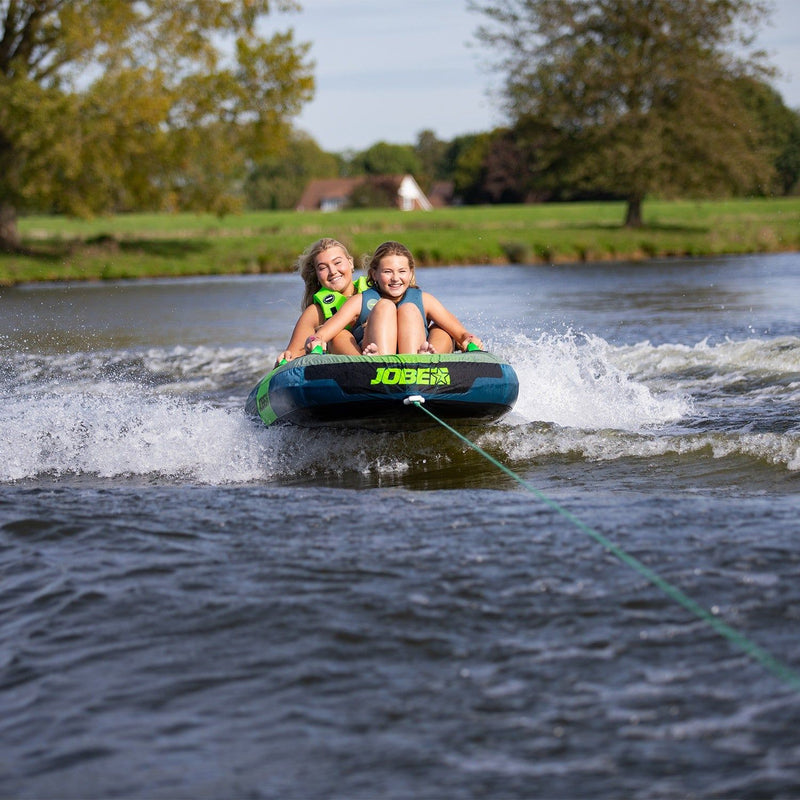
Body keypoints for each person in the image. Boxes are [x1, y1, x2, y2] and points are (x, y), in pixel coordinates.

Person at [305, 240, 482, 356]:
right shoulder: (359, 301)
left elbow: (461, 333)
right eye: (388, 272)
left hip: (418, 359)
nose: (395, 278)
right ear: (374, 274)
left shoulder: (424, 300)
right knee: (384, 307)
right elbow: (325, 332)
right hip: (372, 362)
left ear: (410, 273)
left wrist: (469, 339)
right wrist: (315, 340)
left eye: (402, 271)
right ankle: (377, 362)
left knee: (431, 323)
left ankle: (424, 361)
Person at [275, 238, 366, 365]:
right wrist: (282, 361)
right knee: (338, 336)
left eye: (337, 262)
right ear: (317, 275)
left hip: (382, 354)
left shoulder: (376, 291)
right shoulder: (315, 313)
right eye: (323, 268)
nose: (333, 271)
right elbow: (292, 359)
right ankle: (364, 368)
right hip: (343, 370)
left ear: (350, 263)